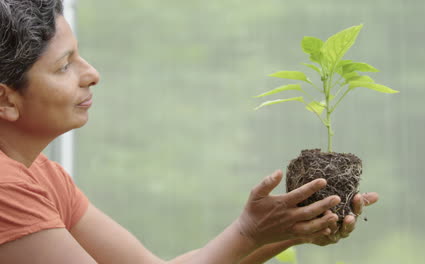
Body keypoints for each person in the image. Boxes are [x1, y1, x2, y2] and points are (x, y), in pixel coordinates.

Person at [0, 0, 379, 263]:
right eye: (65, 66)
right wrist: (248, 232)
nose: (92, 74)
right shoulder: (7, 189)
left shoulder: (43, 178)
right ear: (6, 100)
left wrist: (289, 229)